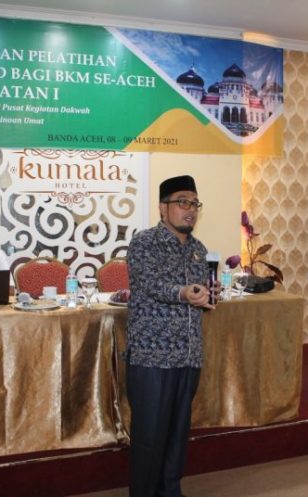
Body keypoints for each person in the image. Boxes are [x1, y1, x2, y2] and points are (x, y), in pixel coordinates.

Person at [126, 175, 215, 497]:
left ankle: (170, 491)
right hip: (153, 356)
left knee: (178, 433)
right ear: (163, 208)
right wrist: (184, 292)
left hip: (189, 355)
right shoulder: (144, 243)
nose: (190, 209)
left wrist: (207, 296)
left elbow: (200, 292)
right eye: (182, 202)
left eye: (194, 203)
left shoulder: (198, 250)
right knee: (149, 435)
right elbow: (151, 284)